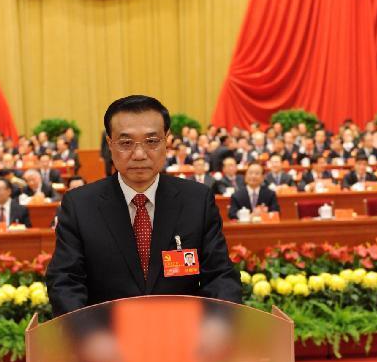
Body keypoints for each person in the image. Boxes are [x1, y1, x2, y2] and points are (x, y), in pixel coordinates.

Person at [46, 95, 242, 316]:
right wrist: (86, 334)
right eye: (126, 143)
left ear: (166, 142)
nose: (139, 154)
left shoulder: (197, 200)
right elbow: (65, 280)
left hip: (182, 336)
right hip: (106, 341)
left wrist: (217, 326)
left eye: (151, 141)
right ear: (110, 145)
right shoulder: (80, 205)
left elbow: (220, 275)